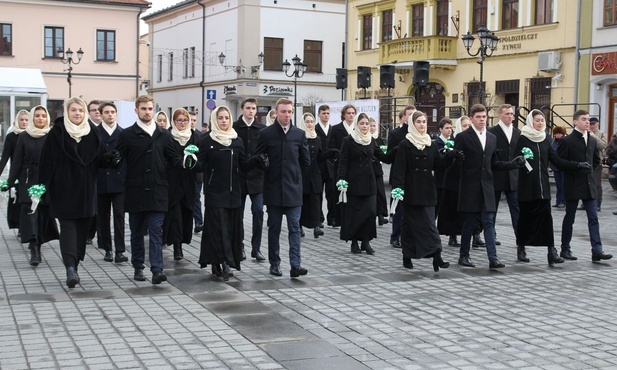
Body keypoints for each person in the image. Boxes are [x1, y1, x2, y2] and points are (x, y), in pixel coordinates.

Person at [39, 97, 109, 288]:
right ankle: (70, 268)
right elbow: (46, 162)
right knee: (68, 228)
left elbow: (101, 158)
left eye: (80, 110)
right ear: (66, 113)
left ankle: (75, 264)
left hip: (86, 191)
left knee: (82, 230)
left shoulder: (92, 132)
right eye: (73, 110)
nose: (77, 114)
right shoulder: (57, 133)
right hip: (63, 190)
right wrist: (40, 189)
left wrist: (113, 159)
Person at [454, 104, 525, 269]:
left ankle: (493, 258)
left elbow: (495, 163)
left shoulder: (492, 137)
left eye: (484, 117)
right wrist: (455, 158)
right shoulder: (463, 137)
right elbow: (456, 163)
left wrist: (512, 164)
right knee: (470, 222)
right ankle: (464, 255)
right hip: (470, 186)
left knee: (488, 221)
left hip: (487, 186)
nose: (482, 120)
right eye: (478, 117)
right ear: (471, 118)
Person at [198, 106, 261, 280]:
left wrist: (257, 160)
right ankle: (224, 263)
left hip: (233, 193)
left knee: (231, 229)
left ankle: (217, 262)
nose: (224, 121)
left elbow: (244, 165)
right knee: (219, 229)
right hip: (214, 192)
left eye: (226, 118)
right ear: (214, 120)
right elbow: (200, 165)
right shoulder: (206, 140)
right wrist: (190, 161)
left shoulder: (236, 141)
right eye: (220, 118)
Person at [515, 110, 584, 265]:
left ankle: (551, 251)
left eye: (542, 120)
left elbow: (556, 160)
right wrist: (522, 164)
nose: (540, 123)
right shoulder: (523, 138)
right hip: (527, 186)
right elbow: (515, 160)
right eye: (537, 120)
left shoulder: (546, 139)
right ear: (530, 121)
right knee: (525, 219)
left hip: (543, 187)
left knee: (547, 219)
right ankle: (521, 247)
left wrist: (577, 165)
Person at [391, 111, 457, 270]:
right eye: (419, 122)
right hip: (411, 190)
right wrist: (398, 189)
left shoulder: (430, 143)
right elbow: (399, 169)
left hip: (427, 190)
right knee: (409, 225)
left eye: (424, 122)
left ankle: (437, 256)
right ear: (413, 124)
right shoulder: (405, 144)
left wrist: (450, 157)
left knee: (428, 224)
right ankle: (407, 255)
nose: (422, 125)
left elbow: (438, 166)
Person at [116, 95, 171, 284]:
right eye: (143, 109)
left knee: (156, 230)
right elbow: (117, 157)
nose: (147, 112)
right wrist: (112, 159)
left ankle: (157, 270)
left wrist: (188, 162)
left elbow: (173, 159)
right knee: (137, 231)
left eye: (150, 109)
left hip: (158, 191)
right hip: (136, 190)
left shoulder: (164, 134)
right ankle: (138, 266)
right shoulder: (127, 134)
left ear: (154, 110)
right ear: (136, 111)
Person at [255, 98, 310, 278]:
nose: (287, 115)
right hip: (273, 190)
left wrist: (294, 176)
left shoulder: (299, 134)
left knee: (295, 228)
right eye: (283, 112)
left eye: (289, 111)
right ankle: (275, 263)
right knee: (274, 229)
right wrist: (267, 167)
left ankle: (296, 265)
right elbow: (259, 158)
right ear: (276, 113)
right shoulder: (266, 134)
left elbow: (305, 161)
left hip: (293, 191)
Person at [7, 106, 59, 267]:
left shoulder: (52, 136)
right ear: (32, 118)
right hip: (28, 179)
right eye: (37, 116)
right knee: (30, 213)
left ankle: (38, 242)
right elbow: (17, 161)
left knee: (42, 214)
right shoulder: (24, 136)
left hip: (46, 180)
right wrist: (10, 182)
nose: (40, 118)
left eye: (43, 116)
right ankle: (34, 248)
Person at [558, 110, 612, 262]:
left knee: (593, 217)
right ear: (575, 122)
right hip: (573, 184)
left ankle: (597, 250)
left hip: (589, 184)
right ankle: (565, 248)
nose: (587, 122)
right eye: (584, 119)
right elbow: (559, 162)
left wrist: (590, 169)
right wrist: (577, 166)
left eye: (588, 119)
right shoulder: (567, 141)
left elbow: (596, 160)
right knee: (570, 217)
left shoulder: (592, 140)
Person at [337, 113, 394, 254]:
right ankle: (355, 241)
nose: (364, 126)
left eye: (367, 124)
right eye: (362, 123)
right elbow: (343, 162)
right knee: (354, 213)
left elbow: (384, 157)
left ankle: (366, 242)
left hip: (369, 182)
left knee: (369, 212)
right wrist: (341, 180)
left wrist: (398, 149)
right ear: (357, 124)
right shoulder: (348, 140)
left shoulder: (371, 140)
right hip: (354, 183)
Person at [163, 108, 201, 261]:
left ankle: (181, 242)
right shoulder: (168, 137)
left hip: (189, 181)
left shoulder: (194, 137)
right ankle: (177, 247)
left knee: (186, 213)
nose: (183, 123)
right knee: (175, 214)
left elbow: (200, 156)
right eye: (179, 120)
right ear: (174, 121)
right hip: (172, 180)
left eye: (185, 120)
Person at [233, 98, 266, 261]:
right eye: (248, 108)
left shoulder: (262, 129)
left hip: (257, 178)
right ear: (242, 109)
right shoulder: (234, 127)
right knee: (238, 214)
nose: (251, 111)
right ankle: (240, 246)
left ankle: (256, 248)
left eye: (253, 108)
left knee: (258, 211)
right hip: (239, 177)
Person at [96, 102, 128, 263]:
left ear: (116, 114)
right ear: (101, 114)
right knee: (103, 216)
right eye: (106, 112)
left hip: (118, 181)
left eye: (112, 112)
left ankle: (120, 250)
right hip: (100, 180)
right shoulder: (95, 133)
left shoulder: (123, 133)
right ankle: (107, 248)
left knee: (119, 215)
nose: (110, 114)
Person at [298, 113, 336, 238]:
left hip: (315, 174)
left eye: (312, 121)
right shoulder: (299, 137)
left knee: (315, 201)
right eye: (307, 121)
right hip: (302, 175)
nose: (310, 124)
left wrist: (330, 153)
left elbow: (320, 156)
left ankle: (316, 227)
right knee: (302, 201)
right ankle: (299, 226)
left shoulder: (317, 138)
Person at [488, 104, 520, 247]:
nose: (510, 116)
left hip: (513, 177)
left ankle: (520, 239)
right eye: (507, 114)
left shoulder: (518, 133)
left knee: (516, 209)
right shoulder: (492, 132)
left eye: (512, 114)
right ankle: (491, 235)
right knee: (492, 208)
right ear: (500, 115)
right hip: (496, 174)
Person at [437, 116, 471, 247]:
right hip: (453, 180)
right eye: (464, 126)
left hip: (467, 179)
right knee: (452, 208)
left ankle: (474, 234)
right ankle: (453, 235)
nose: (467, 128)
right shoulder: (456, 140)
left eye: (469, 125)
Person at [387, 105, 416, 248]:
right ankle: (395, 236)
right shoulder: (396, 134)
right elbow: (389, 156)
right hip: (399, 174)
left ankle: (410, 235)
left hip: (415, 176)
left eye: (414, 114)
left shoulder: (420, 133)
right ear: (403, 117)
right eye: (409, 114)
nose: (411, 117)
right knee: (399, 208)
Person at [327, 104, 356, 228]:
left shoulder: (357, 128)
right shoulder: (335, 129)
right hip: (340, 164)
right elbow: (330, 147)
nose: (351, 115)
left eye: (353, 113)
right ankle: (336, 218)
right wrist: (338, 154)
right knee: (338, 191)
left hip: (354, 166)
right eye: (348, 113)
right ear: (343, 115)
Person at [0, 110, 29, 231]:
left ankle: (27, 226)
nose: (24, 122)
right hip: (16, 173)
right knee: (17, 200)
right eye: (21, 119)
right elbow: (5, 156)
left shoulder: (34, 135)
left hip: (30, 173)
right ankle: (19, 224)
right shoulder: (11, 137)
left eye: (26, 120)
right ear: (17, 121)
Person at [315, 105, 335, 229]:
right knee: (318, 194)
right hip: (319, 165)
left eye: (327, 113)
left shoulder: (333, 129)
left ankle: (332, 218)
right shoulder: (315, 129)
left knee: (332, 193)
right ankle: (319, 218)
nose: (326, 115)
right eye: (323, 113)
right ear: (319, 114)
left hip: (331, 166)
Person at [86, 100, 102, 246]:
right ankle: (89, 233)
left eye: (99, 109)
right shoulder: (86, 128)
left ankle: (99, 235)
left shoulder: (106, 128)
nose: (97, 112)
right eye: (93, 110)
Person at [369, 117, 389, 225]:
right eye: (370, 125)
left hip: (377, 168)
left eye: (373, 126)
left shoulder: (378, 138)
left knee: (380, 193)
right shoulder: (367, 139)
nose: (372, 128)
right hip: (369, 168)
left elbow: (382, 151)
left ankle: (381, 215)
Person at [433, 117, 453, 218]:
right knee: (437, 205)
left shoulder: (454, 142)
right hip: (440, 180)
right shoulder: (436, 144)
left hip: (451, 179)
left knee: (450, 207)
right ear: (440, 129)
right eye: (447, 128)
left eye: (451, 128)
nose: (449, 130)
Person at [190, 111, 204, 233]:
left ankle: (199, 221)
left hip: (198, 175)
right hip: (185, 172)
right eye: (190, 120)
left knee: (196, 197)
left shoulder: (200, 135)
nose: (192, 122)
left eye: (194, 120)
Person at [589, 117, 607, 211]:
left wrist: (594, 136)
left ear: (597, 124)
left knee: (597, 183)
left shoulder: (601, 134)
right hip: (587, 161)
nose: (591, 126)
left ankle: (597, 203)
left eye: (593, 124)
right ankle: (586, 202)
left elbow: (604, 146)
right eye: (590, 124)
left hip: (596, 162)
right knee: (586, 183)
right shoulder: (585, 132)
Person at [551, 126, 567, 208]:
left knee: (563, 184)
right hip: (556, 166)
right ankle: (558, 200)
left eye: (559, 133)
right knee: (558, 184)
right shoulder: (553, 142)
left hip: (563, 166)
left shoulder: (565, 141)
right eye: (556, 133)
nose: (557, 135)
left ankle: (563, 201)